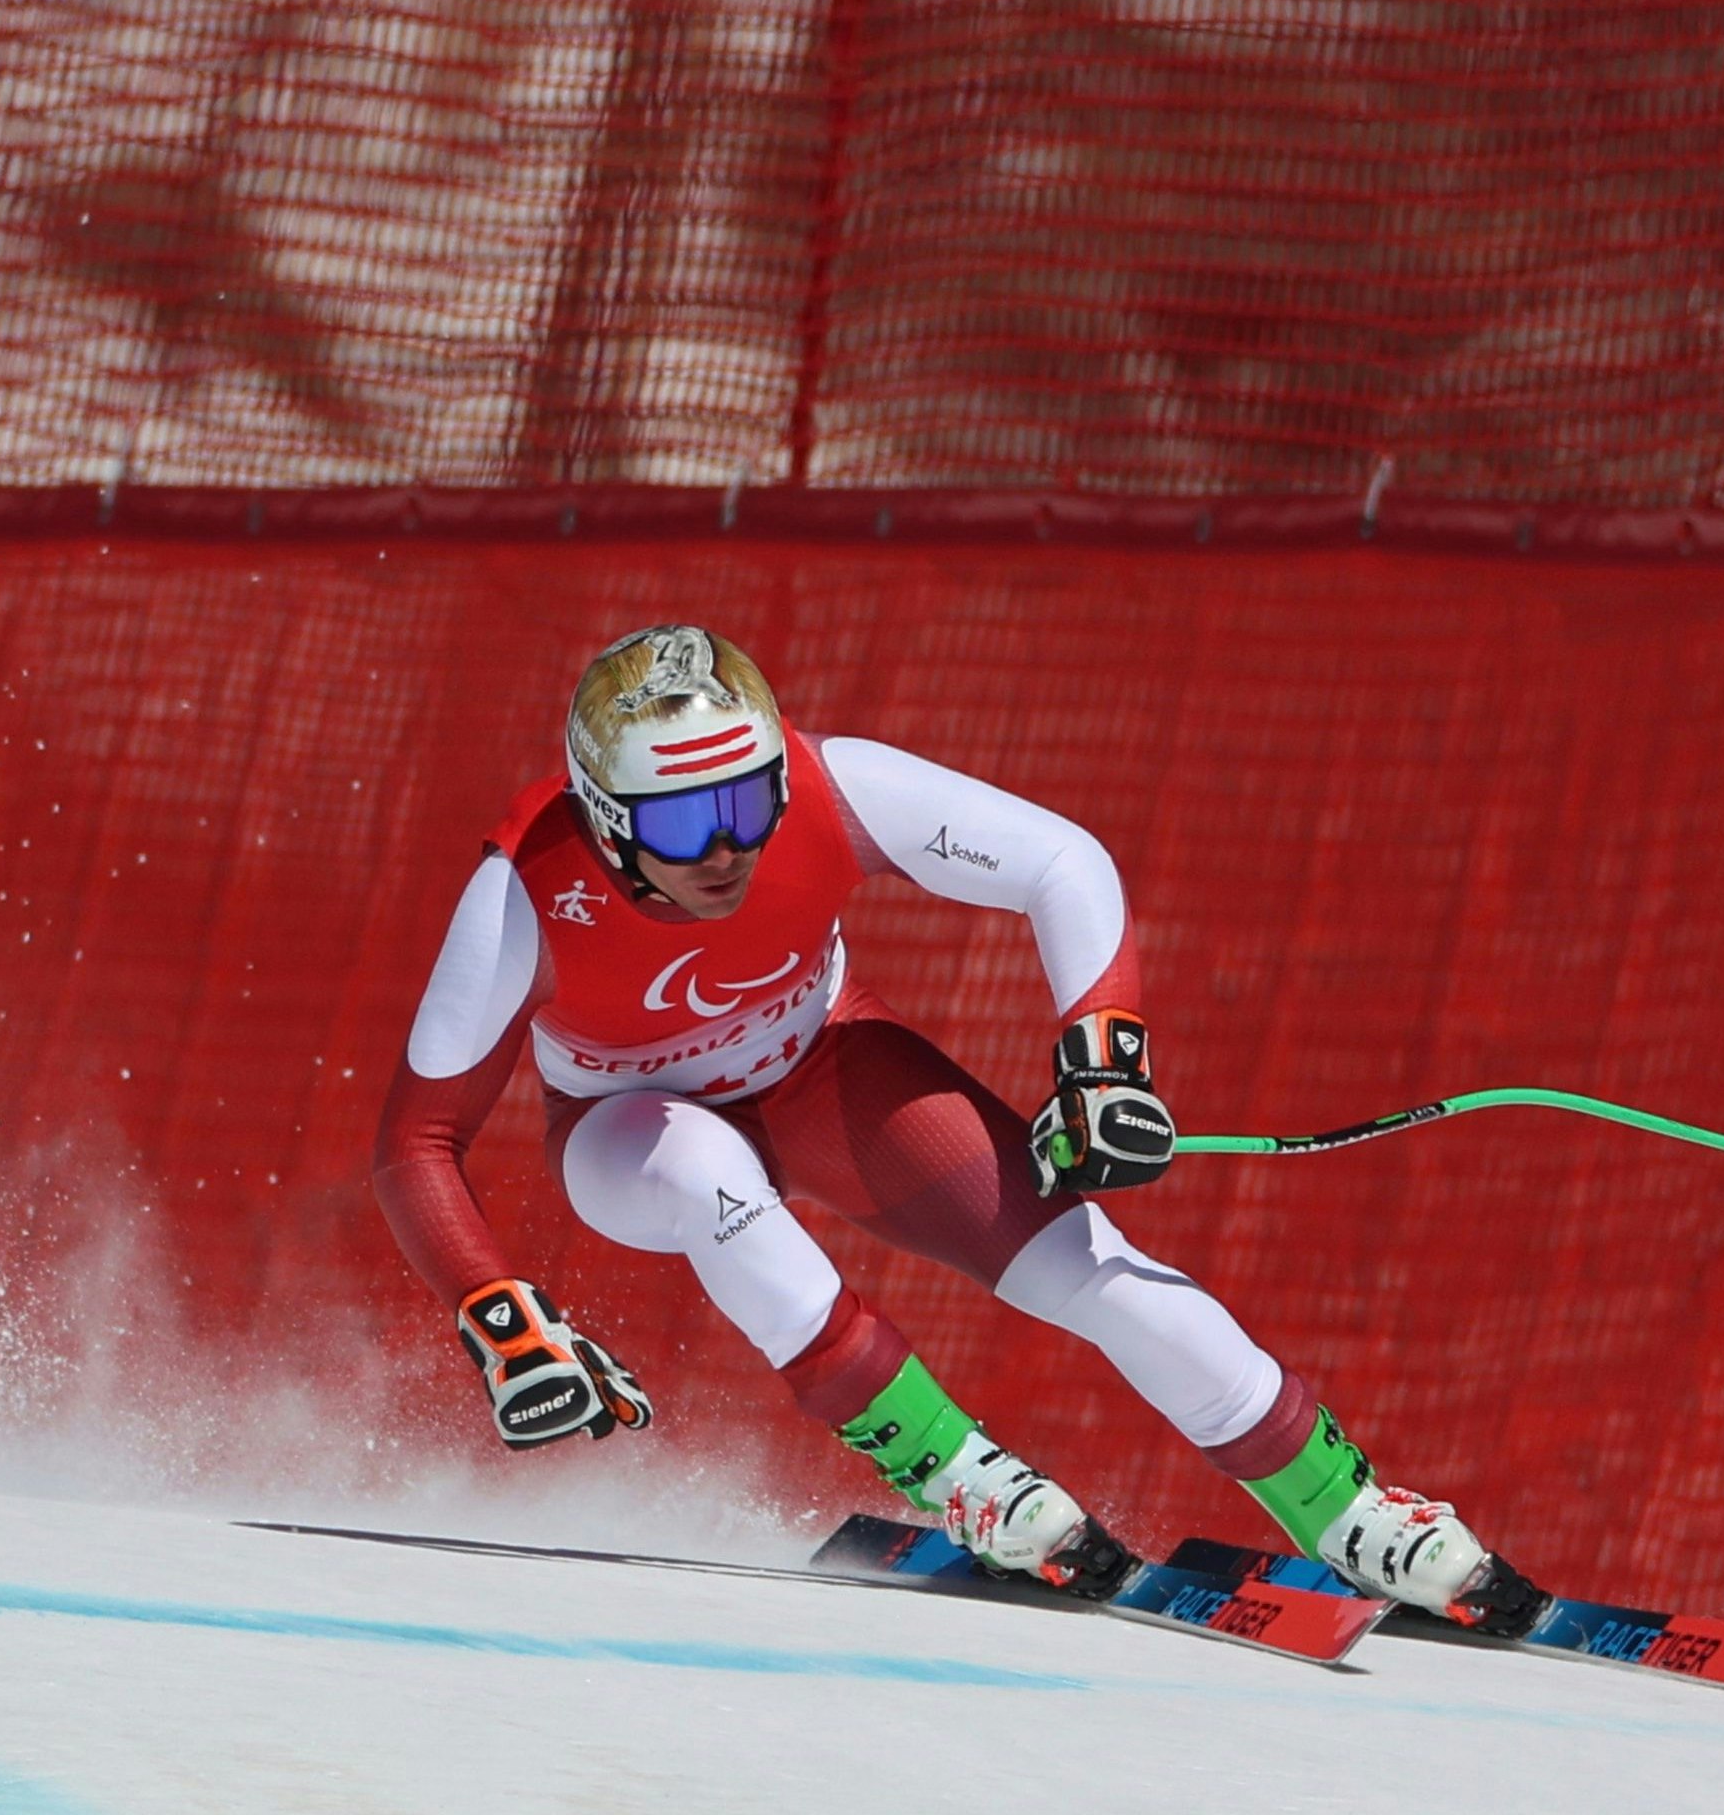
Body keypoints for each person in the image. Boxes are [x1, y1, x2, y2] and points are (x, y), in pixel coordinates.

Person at [370, 622, 1541, 1626]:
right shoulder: (525, 884)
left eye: (746, 800)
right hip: (628, 1129)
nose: (726, 848)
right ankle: (959, 1471)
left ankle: (1344, 1508)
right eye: (682, 827)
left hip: (824, 1064)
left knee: (1089, 1264)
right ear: (606, 819)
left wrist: (1102, 1055)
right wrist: (500, 1316)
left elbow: (1060, 861)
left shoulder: (831, 788)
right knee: (707, 1170)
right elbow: (415, 1145)